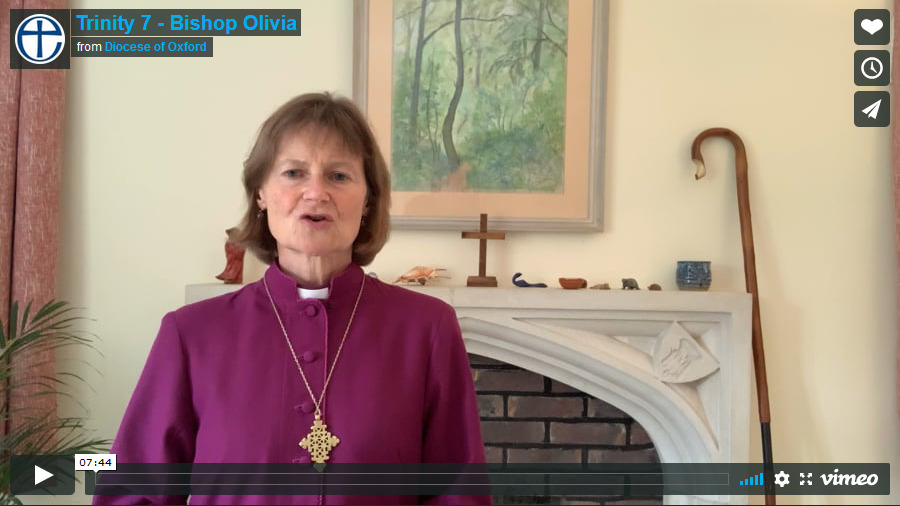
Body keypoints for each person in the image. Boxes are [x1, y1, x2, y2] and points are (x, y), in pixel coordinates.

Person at [95, 93, 490, 505]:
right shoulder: (191, 333)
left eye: (339, 176)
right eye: (293, 173)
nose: (315, 192)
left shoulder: (427, 328)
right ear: (261, 193)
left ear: (368, 199)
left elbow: (459, 493)